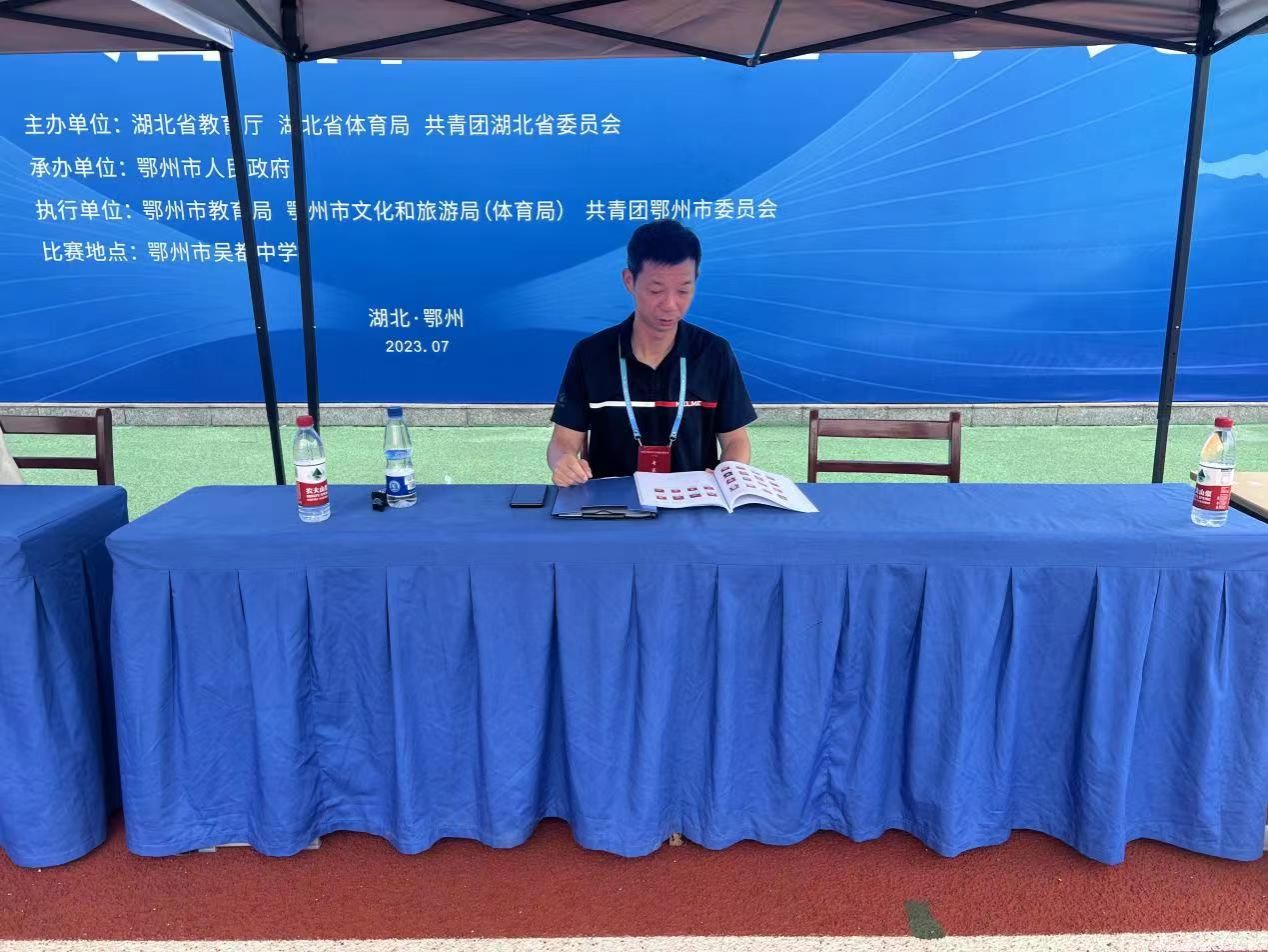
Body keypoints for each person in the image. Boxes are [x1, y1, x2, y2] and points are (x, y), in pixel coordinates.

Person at [548, 219, 756, 487]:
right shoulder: (590, 354)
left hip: (694, 502)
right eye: (656, 290)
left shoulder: (714, 352)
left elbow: (736, 440)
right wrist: (563, 461)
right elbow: (563, 441)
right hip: (610, 504)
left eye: (683, 290)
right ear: (629, 280)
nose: (670, 304)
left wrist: (730, 472)